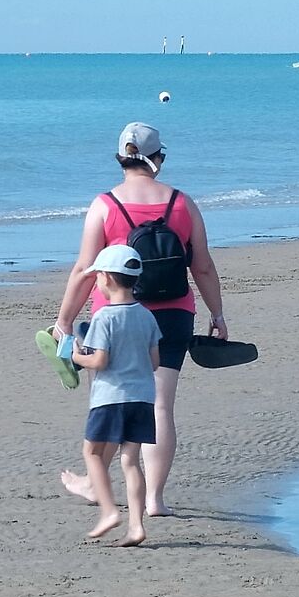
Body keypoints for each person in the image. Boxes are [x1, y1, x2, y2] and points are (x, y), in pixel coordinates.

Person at [49, 122, 226, 519]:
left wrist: (64, 320)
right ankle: (154, 500)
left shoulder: (105, 205)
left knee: (112, 400)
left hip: (114, 317)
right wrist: (217, 313)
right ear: (157, 159)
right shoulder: (182, 203)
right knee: (159, 407)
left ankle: (96, 485)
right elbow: (203, 267)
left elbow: (85, 268)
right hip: (174, 312)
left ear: (121, 158)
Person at [71, 244, 161, 546]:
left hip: (110, 397)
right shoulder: (147, 316)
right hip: (143, 397)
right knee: (131, 461)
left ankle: (109, 511)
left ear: (107, 278)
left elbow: (99, 361)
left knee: (92, 452)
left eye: (97, 276)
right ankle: (136, 526)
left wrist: (76, 356)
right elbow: (154, 362)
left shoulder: (104, 318)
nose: (97, 281)